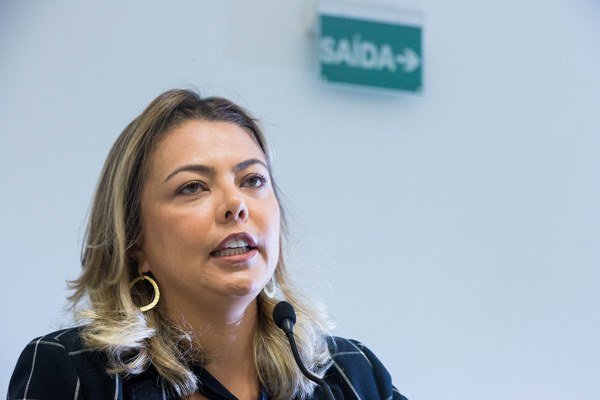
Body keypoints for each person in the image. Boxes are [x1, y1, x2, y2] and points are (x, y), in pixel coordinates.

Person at [8, 89, 408, 400]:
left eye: (252, 180)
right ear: (133, 240)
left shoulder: (351, 375)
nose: (236, 204)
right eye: (193, 187)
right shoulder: (75, 372)